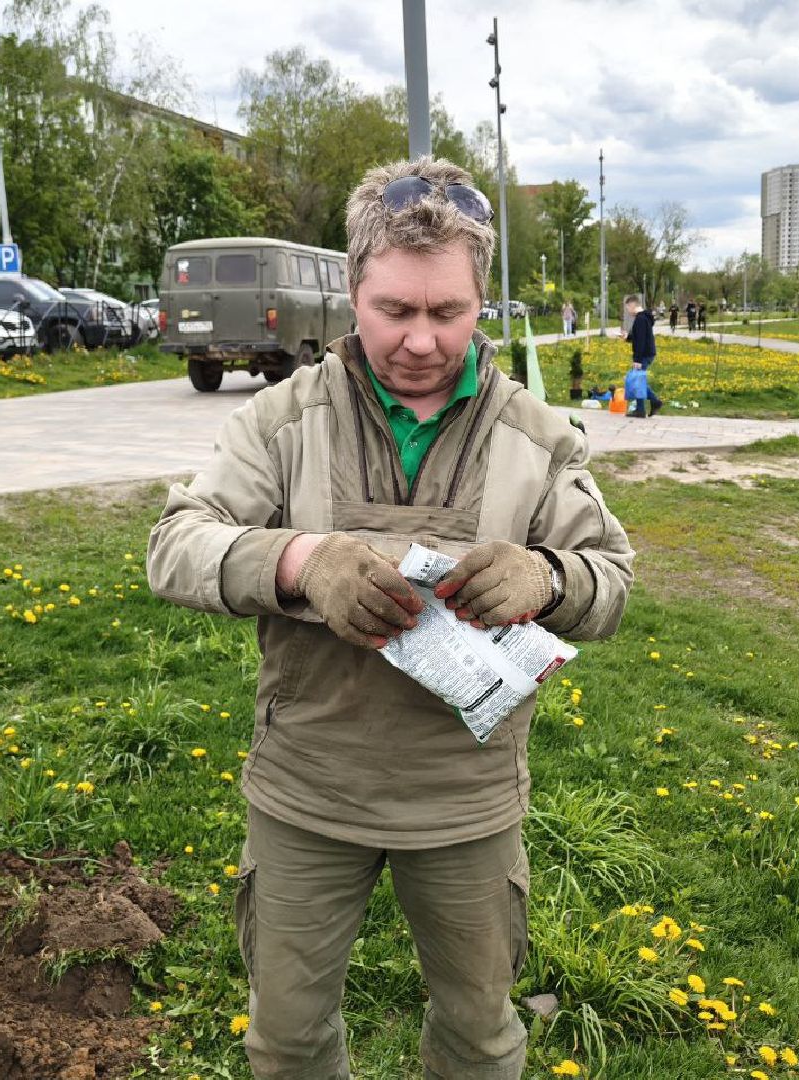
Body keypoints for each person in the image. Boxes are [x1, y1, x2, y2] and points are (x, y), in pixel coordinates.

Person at [147, 156, 634, 1080]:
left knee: (481, 1039)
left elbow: (612, 578)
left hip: (467, 802)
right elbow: (174, 545)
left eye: (447, 313)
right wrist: (300, 560)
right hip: (306, 794)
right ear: (350, 291)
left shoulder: (538, 438)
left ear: (482, 300)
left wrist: (547, 576)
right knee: (286, 1044)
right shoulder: (281, 421)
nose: (420, 340)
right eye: (394, 311)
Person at [624, 295, 663, 417]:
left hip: (644, 354)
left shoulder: (641, 319)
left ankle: (654, 401)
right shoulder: (643, 317)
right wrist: (627, 337)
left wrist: (638, 360)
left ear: (632, 305)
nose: (627, 311)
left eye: (627, 308)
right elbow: (638, 337)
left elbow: (640, 341)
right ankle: (641, 409)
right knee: (638, 379)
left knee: (637, 381)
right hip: (647, 353)